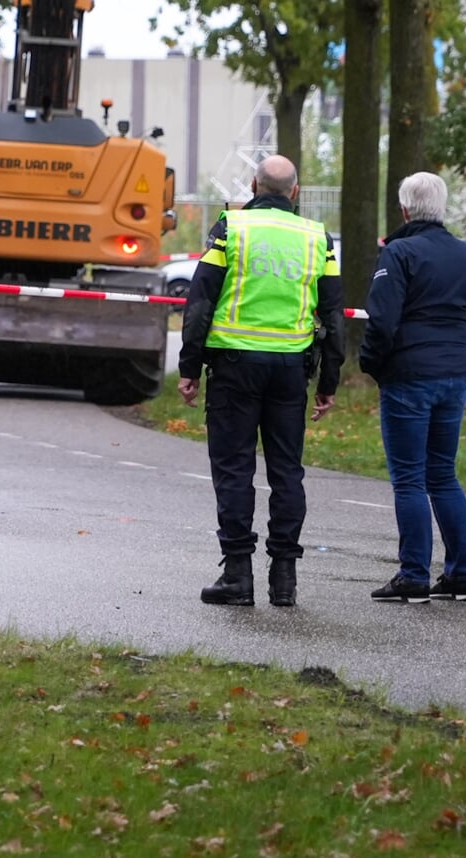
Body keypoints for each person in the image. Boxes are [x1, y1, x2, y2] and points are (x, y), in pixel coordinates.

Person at [177, 154, 344, 607]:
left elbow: (201, 300)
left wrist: (189, 368)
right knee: (287, 471)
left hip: (234, 368)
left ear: (254, 185)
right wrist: (329, 380)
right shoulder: (317, 238)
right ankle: (284, 580)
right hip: (291, 371)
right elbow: (333, 312)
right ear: (296, 191)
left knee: (235, 469)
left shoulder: (232, 228)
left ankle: (237, 576)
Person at [359, 172, 466, 604]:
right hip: (454, 374)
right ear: (443, 207)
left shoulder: (397, 254)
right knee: (443, 474)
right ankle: (460, 574)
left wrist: (373, 364)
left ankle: (413, 573)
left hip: (408, 375)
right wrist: (455, 353)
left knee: (410, 479)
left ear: (404, 209)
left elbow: (382, 319)